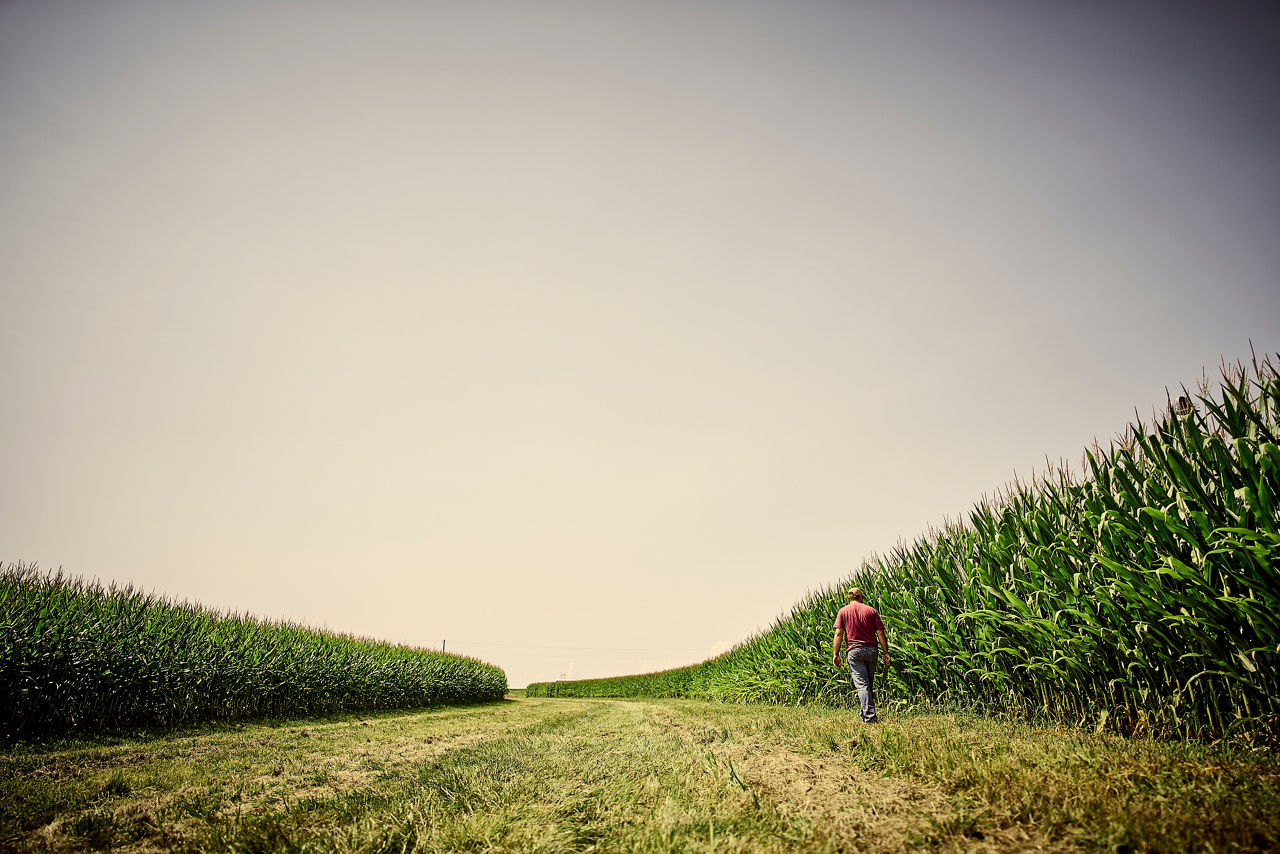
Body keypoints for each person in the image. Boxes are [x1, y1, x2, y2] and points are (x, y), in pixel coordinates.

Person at [833, 586, 890, 723]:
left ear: (849, 598)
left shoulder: (843, 611)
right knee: (867, 684)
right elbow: (880, 633)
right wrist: (886, 652)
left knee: (863, 685)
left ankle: (869, 718)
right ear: (861, 597)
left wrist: (836, 654)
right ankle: (866, 714)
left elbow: (839, 633)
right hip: (872, 650)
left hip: (854, 651)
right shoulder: (871, 611)